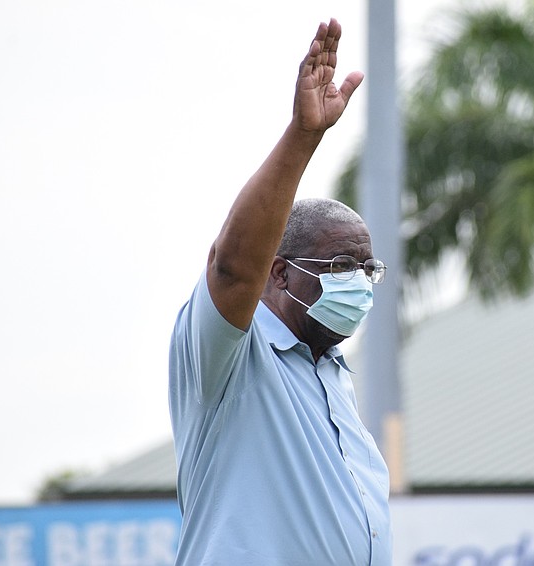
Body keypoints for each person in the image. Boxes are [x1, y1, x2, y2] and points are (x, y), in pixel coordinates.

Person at [168, 18, 392, 565]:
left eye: (368, 268)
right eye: (341, 263)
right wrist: (303, 136)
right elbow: (230, 269)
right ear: (280, 273)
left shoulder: (333, 374)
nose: (358, 281)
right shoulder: (230, 359)